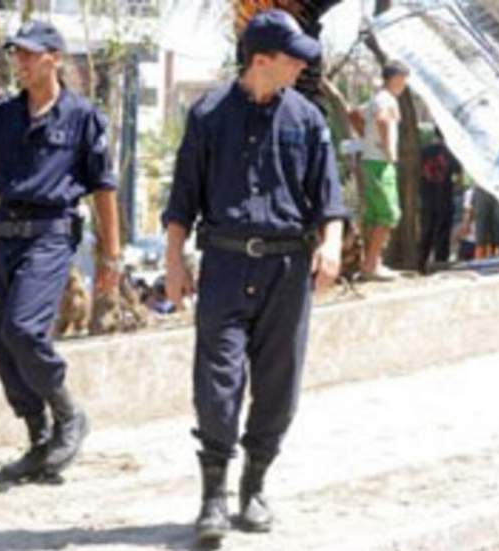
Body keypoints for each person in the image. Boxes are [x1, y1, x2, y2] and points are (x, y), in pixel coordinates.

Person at [161, 9, 348, 542]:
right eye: (292, 59)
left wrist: (331, 243)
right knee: (217, 382)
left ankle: (256, 484)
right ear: (262, 60)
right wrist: (175, 261)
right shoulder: (208, 115)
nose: (299, 69)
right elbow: (182, 200)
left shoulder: (307, 119)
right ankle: (213, 496)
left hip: (287, 269)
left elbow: (328, 197)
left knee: (277, 384)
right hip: (223, 263)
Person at [0, 20, 121, 482]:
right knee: (3, 346)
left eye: (30, 54)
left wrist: (110, 257)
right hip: (6, 234)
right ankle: (39, 439)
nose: (21, 63)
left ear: (54, 57)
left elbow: (104, 189)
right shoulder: (3, 115)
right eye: (17, 54)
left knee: (25, 330)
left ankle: (69, 415)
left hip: (51, 234)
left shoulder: (83, 117)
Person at [358, 59, 409, 281]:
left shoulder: (375, 99)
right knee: (389, 214)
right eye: (404, 80)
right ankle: (371, 265)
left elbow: (354, 114)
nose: (405, 85)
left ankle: (370, 263)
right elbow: (383, 120)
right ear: (396, 78)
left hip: (370, 160)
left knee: (374, 215)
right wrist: (388, 149)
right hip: (380, 163)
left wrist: (368, 139)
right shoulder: (386, 99)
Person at [418, 127, 462, 273]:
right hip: (445, 197)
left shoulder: (423, 151)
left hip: (426, 198)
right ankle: (440, 264)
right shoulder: (452, 152)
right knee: (442, 234)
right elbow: (457, 177)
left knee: (426, 232)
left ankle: (420, 263)